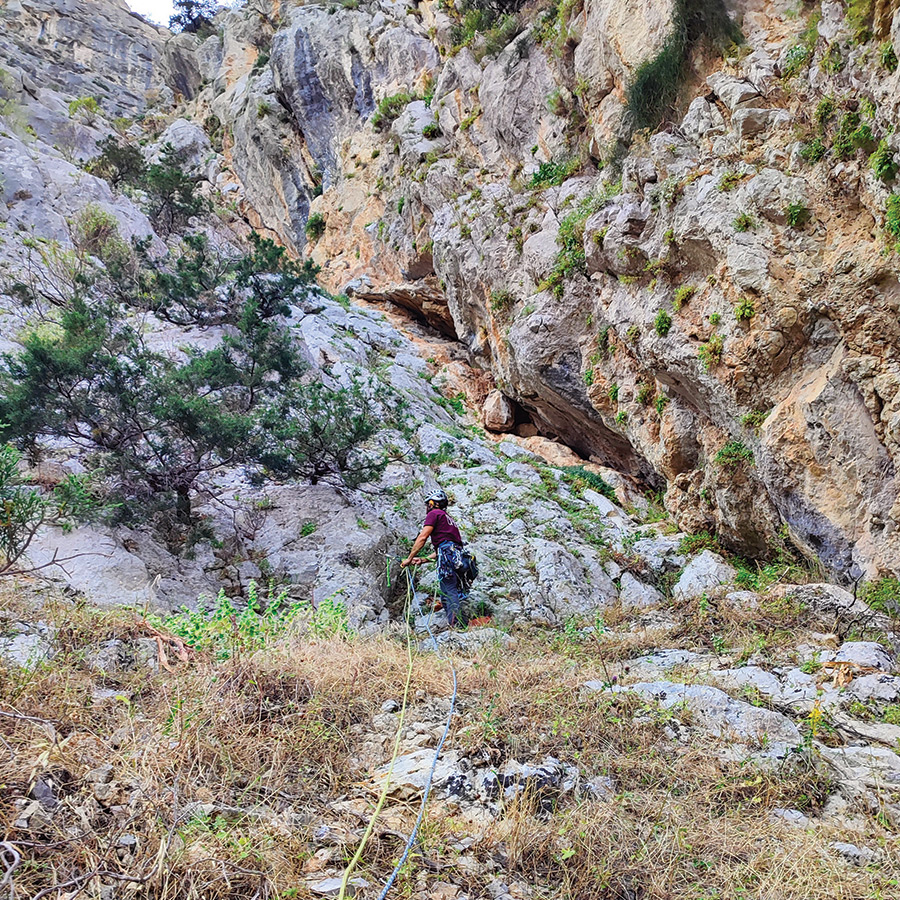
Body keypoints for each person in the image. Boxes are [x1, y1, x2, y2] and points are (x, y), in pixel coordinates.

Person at [400, 488, 468, 628]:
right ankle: (456, 622)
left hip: (448, 556)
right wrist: (423, 559)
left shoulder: (434, 514)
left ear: (433, 503)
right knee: (446, 592)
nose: (427, 507)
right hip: (456, 557)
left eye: (428, 504)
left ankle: (458, 625)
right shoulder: (448, 519)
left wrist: (409, 558)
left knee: (449, 590)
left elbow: (422, 537)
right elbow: (446, 547)